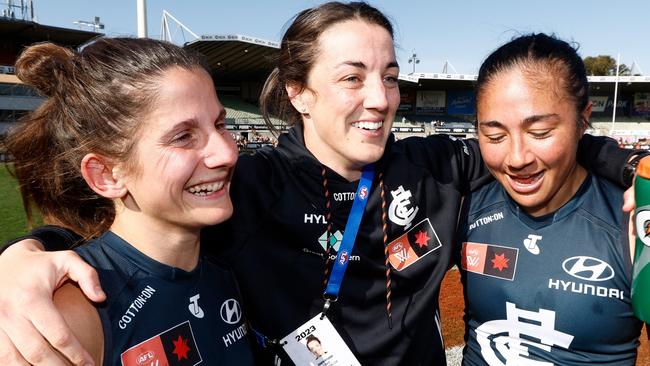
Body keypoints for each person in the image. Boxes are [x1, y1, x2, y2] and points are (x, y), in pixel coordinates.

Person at [0, 2, 640, 365]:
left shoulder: (442, 166)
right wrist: (25, 254)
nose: (380, 98)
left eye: (390, 75)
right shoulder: (245, 182)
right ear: (299, 93)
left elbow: (548, 141)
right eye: (352, 77)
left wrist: (634, 169)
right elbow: (133, 226)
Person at [1, 38, 254, 365]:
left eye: (220, 124)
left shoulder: (227, 265)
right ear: (105, 174)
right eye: (183, 137)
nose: (227, 153)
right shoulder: (70, 316)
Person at [458, 33, 643, 365]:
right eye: (495, 135)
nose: (516, 158)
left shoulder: (632, 220)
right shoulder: (465, 205)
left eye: (539, 133)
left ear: (583, 118)